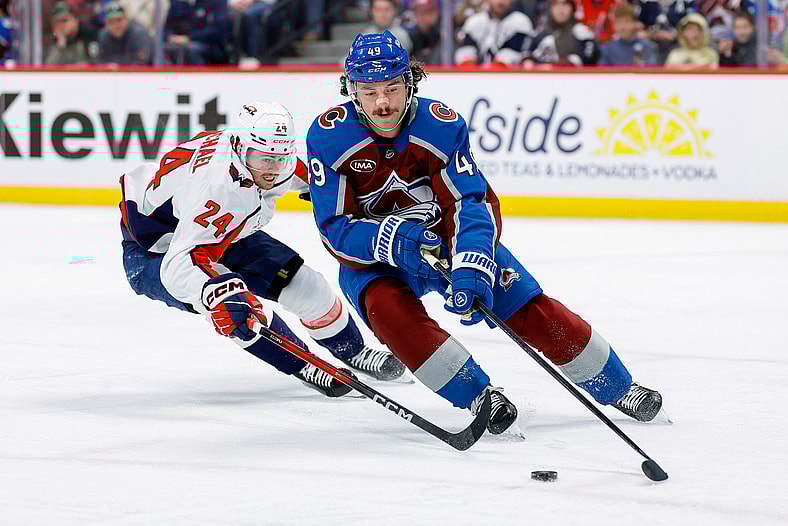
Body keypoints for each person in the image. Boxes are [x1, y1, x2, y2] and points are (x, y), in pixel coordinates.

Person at [306, 31, 663, 435]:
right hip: (374, 260)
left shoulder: (440, 126)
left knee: (528, 307)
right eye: (369, 91)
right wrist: (390, 240)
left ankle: (617, 387)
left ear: (411, 82)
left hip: (446, 241)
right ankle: (478, 395)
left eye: (392, 87)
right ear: (351, 89)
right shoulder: (328, 136)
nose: (383, 103)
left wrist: (472, 263)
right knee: (392, 316)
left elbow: (469, 203)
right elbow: (334, 227)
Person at [119, 101, 407, 398]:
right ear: (239, 148)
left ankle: (353, 351)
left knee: (308, 287)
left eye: (279, 159)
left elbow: (308, 179)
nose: (271, 170)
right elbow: (179, 263)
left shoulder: (265, 153)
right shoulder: (217, 189)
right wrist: (214, 293)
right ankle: (306, 365)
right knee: (238, 312)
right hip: (158, 251)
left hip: (227, 231)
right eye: (263, 160)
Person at [454, 0, 534, 65]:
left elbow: (515, 52)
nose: (500, 2)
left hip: (508, 77)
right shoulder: (475, 21)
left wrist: (497, 68)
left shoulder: (520, 21)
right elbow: (466, 51)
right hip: (478, 76)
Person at [524, 0, 598, 66]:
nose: (560, 8)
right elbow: (525, 53)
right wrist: (529, 61)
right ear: (550, 8)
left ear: (572, 8)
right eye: (556, 4)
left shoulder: (581, 30)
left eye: (565, 4)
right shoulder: (540, 31)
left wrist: (572, 61)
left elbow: (590, 55)